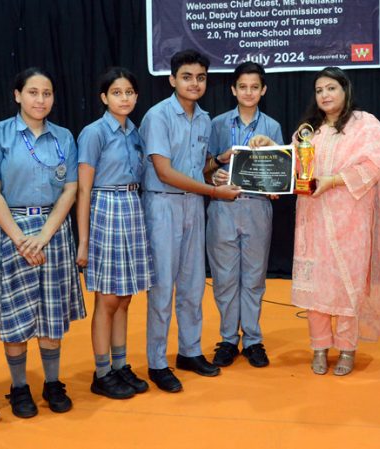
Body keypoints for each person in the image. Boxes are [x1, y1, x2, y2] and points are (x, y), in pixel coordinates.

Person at [255, 67, 380, 376]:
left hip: (351, 219)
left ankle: (348, 349)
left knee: (348, 286)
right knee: (318, 290)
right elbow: (295, 168)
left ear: (345, 91)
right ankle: (320, 348)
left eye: (331, 88)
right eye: (319, 90)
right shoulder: (308, 130)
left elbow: (379, 166)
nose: (325, 95)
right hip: (313, 221)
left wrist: (335, 180)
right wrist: (272, 148)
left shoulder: (365, 125)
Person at [0, 67, 85, 417]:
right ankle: (18, 388)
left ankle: (52, 383)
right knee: (15, 316)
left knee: (51, 314)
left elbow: (71, 189)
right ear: (18, 95)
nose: (40, 100)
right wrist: (20, 238)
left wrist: (45, 235)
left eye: (46, 93)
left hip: (52, 229)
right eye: (33, 92)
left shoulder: (64, 137)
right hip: (8, 230)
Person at [140, 49, 241, 393]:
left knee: (193, 284)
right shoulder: (158, 116)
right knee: (162, 288)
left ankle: (190, 351)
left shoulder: (204, 119)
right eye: (187, 77)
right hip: (163, 207)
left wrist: (220, 166)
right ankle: (157, 361)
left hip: (194, 206)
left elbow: (198, 169)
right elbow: (165, 172)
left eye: (200, 77)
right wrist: (214, 192)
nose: (194, 83)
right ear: (172, 80)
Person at [77, 67, 154, 400]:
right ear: (104, 98)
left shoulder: (135, 133)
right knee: (107, 299)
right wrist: (83, 241)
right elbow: (83, 190)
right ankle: (102, 371)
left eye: (129, 92)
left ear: (136, 97)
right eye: (117, 92)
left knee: (124, 298)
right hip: (105, 209)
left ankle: (121, 365)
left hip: (131, 207)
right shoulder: (94, 133)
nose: (124, 98)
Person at [203, 62, 283, 368]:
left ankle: (252, 339)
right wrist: (213, 176)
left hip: (258, 207)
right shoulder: (217, 124)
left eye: (255, 87)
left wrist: (278, 184)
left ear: (263, 90)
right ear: (233, 90)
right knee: (223, 277)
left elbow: (279, 170)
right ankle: (226, 339)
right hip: (223, 207)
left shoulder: (272, 127)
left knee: (253, 277)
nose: (248, 92)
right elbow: (204, 167)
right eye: (243, 87)